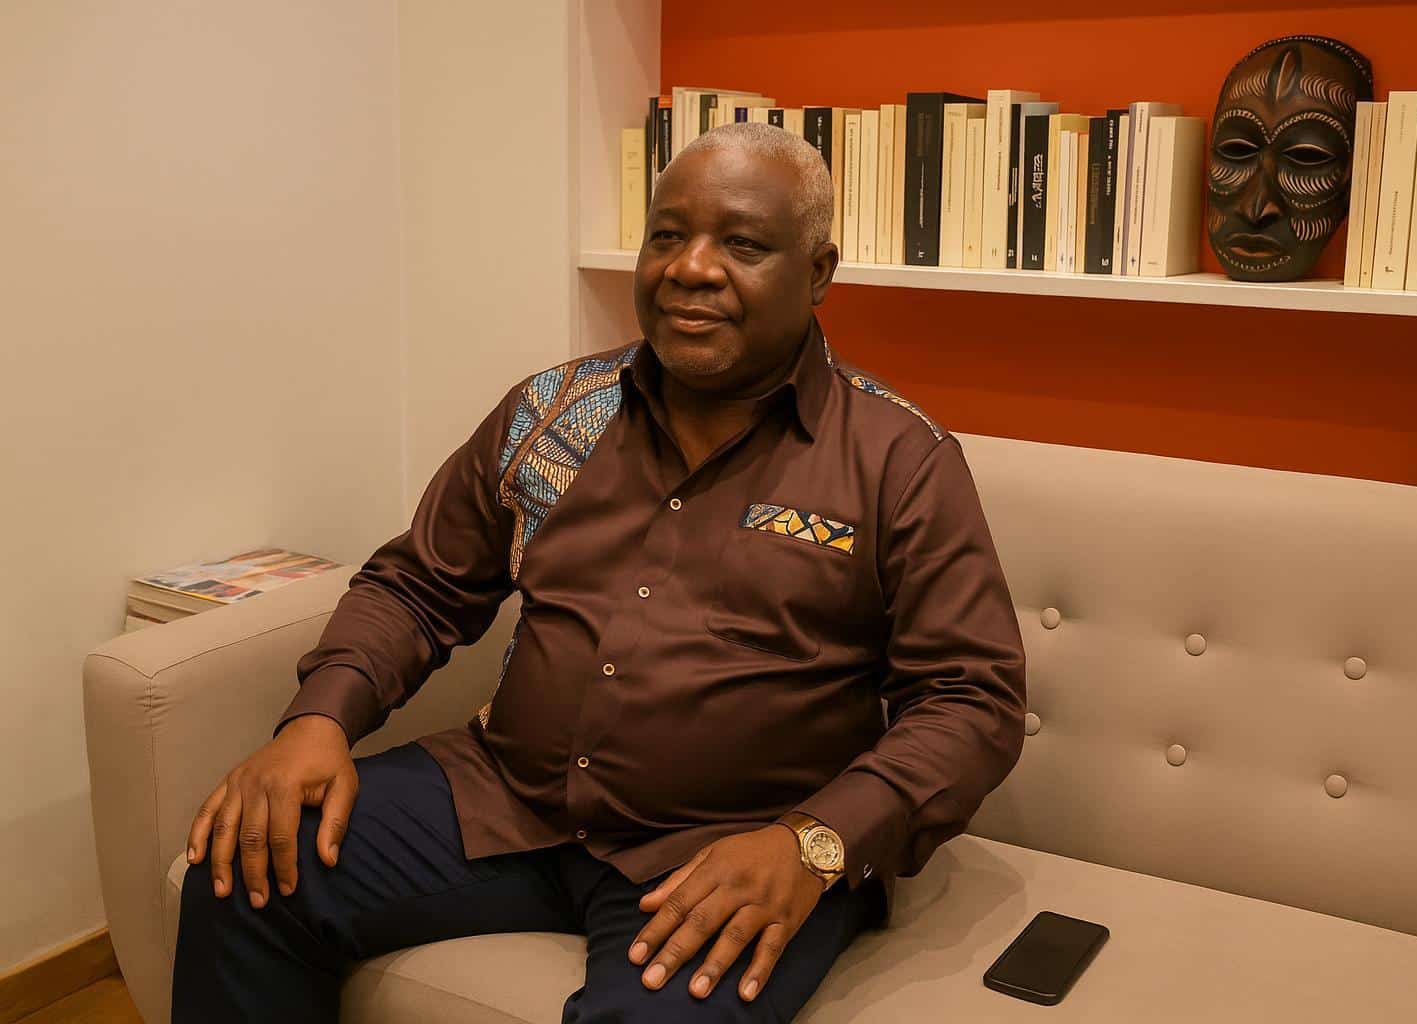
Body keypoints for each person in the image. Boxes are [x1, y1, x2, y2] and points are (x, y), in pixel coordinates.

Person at [173, 121, 1027, 1022]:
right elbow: (419, 586)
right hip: (508, 798)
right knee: (240, 877)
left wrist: (812, 846)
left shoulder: (896, 460)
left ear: (818, 273)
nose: (691, 268)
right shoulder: (553, 415)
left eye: (742, 244)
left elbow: (970, 699)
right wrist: (318, 720)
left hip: (736, 847)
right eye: (668, 235)